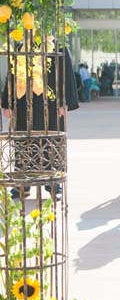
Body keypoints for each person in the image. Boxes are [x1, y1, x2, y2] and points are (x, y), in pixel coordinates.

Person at [2, 45, 79, 200]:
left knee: (50, 142)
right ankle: (22, 184)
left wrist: (66, 102)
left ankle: (53, 183)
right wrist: (7, 102)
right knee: (24, 142)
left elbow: (67, 76)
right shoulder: (21, 47)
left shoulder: (57, 47)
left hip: (50, 105)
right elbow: (11, 76)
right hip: (23, 104)